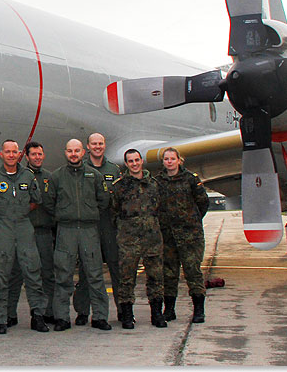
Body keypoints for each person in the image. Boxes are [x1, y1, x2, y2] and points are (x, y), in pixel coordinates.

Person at [43, 139, 112, 331]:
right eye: (70, 151)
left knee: (95, 274)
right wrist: (63, 215)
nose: (74, 154)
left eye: (77, 150)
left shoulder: (94, 176)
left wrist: (89, 213)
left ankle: (99, 317)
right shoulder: (57, 177)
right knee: (63, 275)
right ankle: (62, 318)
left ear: (83, 152)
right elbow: (49, 202)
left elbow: (103, 199)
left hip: (89, 231)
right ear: (65, 153)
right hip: (66, 230)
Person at [0, 139, 50, 334]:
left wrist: (19, 212)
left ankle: (37, 316)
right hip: (3, 228)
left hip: (23, 227)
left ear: (19, 154)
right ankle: (1, 319)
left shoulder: (28, 176)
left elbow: (35, 200)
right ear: (1, 154)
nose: (11, 155)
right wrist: (1, 214)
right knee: (2, 273)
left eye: (15, 152)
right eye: (8, 152)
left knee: (32, 272)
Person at [111, 149, 165, 329]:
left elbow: (161, 209)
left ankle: (157, 314)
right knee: (127, 278)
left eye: (136, 160)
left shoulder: (154, 184)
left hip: (152, 239)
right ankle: (127, 315)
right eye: (130, 161)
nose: (134, 164)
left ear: (141, 161)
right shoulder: (120, 186)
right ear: (126, 164)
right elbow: (114, 211)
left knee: (156, 277)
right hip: (129, 240)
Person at [74, 132, 123, 325]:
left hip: (109, 225)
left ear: (104, 145)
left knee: (116, 268)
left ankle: (123, 309)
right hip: (88, 225)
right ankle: (82, 312)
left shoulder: (114, 169)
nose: (97, 147)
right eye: (94, 144)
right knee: (86, 271)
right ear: (88, 147)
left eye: (100, 144)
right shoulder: (81, 169)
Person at [156, 147, 209, 324]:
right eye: (166, 159)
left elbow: (203, 202)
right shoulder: (158, 181)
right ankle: (169, 310)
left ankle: (199, 310)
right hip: (168, 236)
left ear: (179, 160)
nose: (169, 162)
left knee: (192, 272)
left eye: (172, 158)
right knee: (168, 274)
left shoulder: (190, 180)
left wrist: (191, 221)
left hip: (189, 236)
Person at [24, 140, 56, 324]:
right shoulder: (21, 176)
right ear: (27, 156)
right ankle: (30, 313)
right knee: (24, 274)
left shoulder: (50, 177)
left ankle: (48, 311)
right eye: (33, 154)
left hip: (44, 231)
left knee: (47, 273)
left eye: (39, 154)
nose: (37, 157)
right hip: (25, 232)